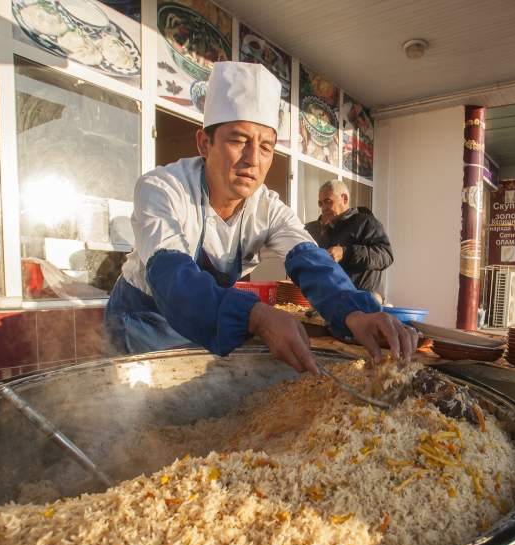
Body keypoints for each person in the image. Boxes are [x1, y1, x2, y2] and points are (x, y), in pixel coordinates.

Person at [105, 62, 417, 373]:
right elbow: (172, 276)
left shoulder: (267, 208)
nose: (252, 160)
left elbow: (311, 260)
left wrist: (354, 312)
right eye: (238, 140)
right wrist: (254, 316)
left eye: (266, 146)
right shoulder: (162, 189)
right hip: (144, 322)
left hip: (206, 322)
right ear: (205, 143)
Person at [305, 180, 393, 304]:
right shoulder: (317, 229)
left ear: (344, 198)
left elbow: (386, 256)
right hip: (330, 303)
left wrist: (345, 253)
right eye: (321, 203)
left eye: (328, 201)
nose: (323, 208)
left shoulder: (366, 222)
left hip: (364, 303)